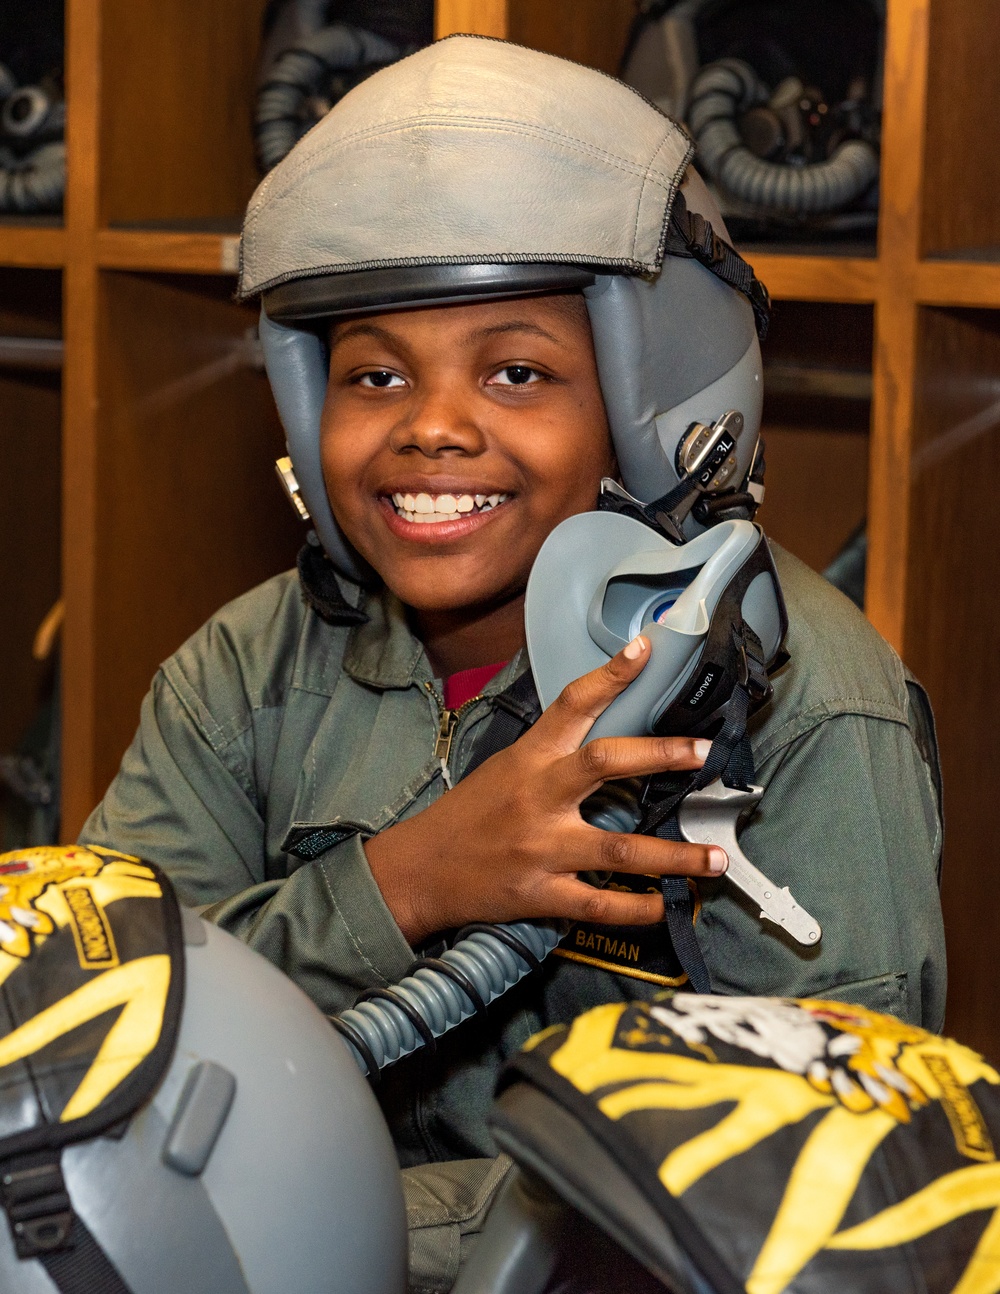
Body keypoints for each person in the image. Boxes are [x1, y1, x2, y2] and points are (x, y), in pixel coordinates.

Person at [81, 36, 945, 1293]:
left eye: (515, 371)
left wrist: (347, 1218)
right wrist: (405, 885)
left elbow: (814, 1194)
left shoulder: (807, 712)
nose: (432, 424)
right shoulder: (247, 673)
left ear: (655, 405)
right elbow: (89, 1039)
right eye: (373, 373)